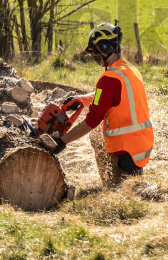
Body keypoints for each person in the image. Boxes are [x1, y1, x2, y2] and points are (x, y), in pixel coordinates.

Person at [54, 23, 154, 184]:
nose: (95, 58)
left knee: (123, 199)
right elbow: (107, 96)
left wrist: (63, 142)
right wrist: (81, 100)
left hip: (125, 148)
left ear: (105, 47)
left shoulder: (109, 79)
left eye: (95, 53)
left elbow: (92, 121)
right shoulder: (128, 69)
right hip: (140, 142)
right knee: (131, 190)